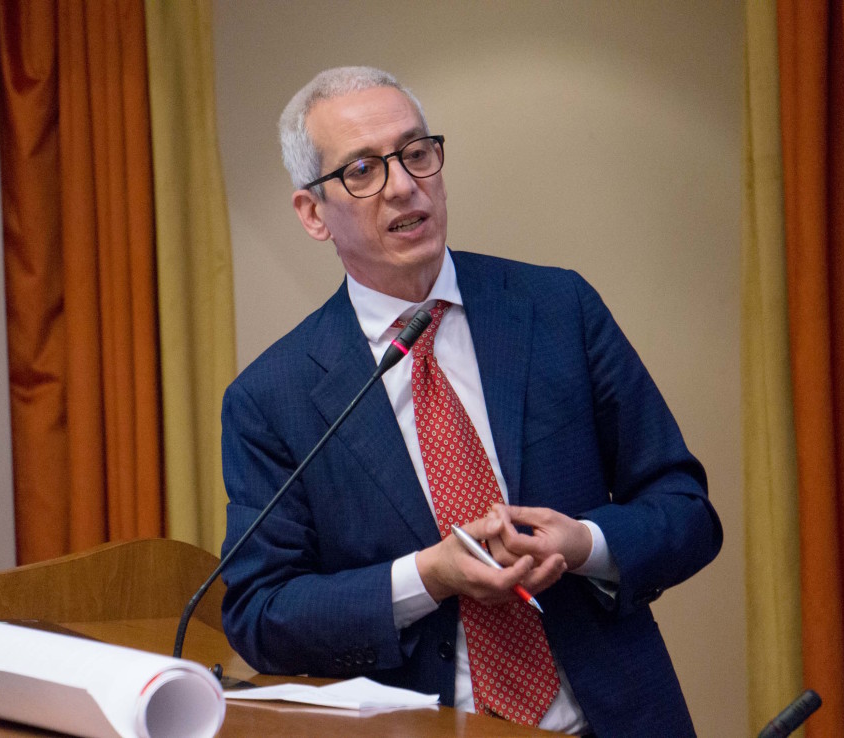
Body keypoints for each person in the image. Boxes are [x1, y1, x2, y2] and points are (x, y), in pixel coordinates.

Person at [219, 66, 722, 737]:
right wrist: (427, 576)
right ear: (313, 213)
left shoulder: (557, 310)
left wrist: (586, 544)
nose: (403, 185)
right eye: (364, 170)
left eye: (417, 153)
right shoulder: (271, 398)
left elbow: (686, 511)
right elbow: (261, 613)